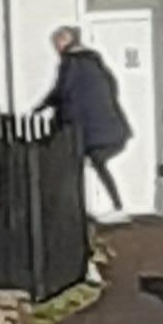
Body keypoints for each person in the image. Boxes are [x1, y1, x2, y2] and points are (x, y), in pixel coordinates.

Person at [45, 22, 132, 214]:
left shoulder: (70, 62)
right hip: (108, 126)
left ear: (65, 41)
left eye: (56, 43)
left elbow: (62, 91)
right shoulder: (95, 61)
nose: (55, 47)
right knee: (96, 162)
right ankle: (116, 205)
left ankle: (74, 209)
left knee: (71, 164)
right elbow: (112, 86)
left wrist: (44, 107)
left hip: (85, 128)